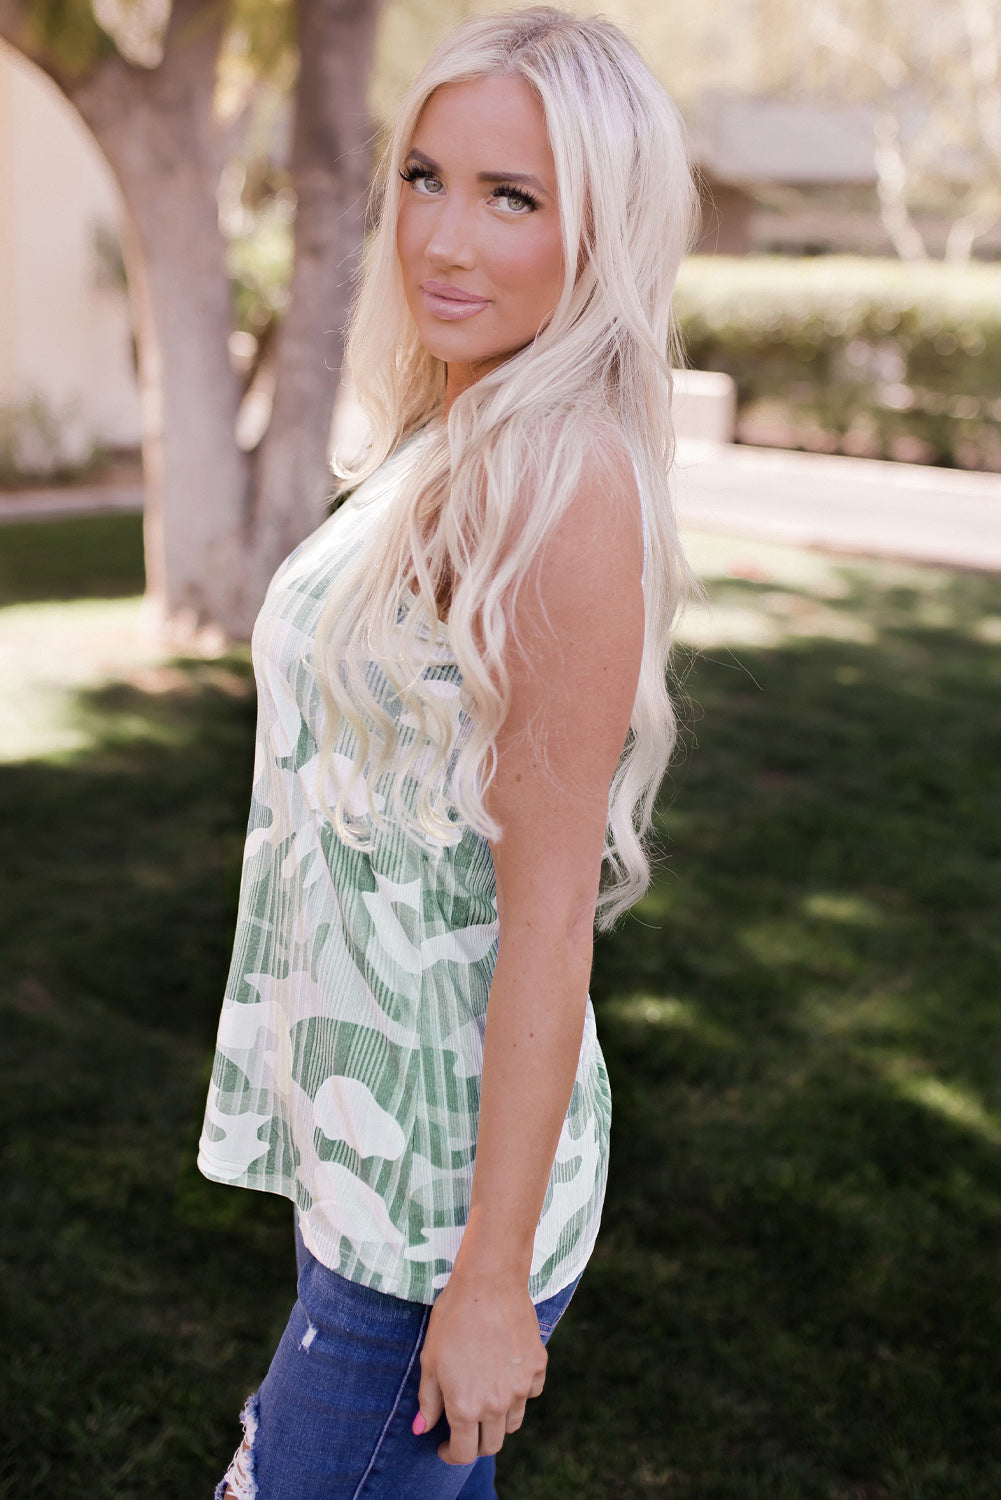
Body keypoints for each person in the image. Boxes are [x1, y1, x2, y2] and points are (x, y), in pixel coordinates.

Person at [199, 6, 697, 1496]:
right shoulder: (455, 431)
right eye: (425, 177)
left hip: (435, 1211)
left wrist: (486, 1281)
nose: (444, 237)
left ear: (600, 234)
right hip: (371, 1151)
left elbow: (548, 921)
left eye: (511, 197)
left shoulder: (560, 482)